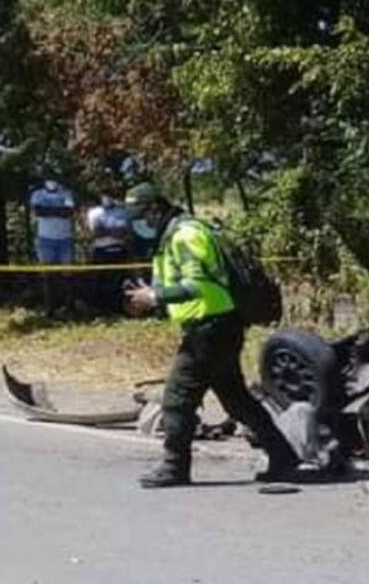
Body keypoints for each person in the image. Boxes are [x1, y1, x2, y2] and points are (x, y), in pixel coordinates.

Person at [121, 182, 299, 489]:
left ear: (156, 209)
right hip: (217, 326)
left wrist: (155, 297)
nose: (141, 223)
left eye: (143, 215)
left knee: (177, 399)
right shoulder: (176, 234)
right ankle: (283, 455)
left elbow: (198, 287)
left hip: (210, 329)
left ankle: (174, 466)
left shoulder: (185, 236)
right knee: (237, 400)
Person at [29, 176, 76, 265]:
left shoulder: (66, 193)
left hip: (65, 239)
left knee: (67, 272)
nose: (52, 182)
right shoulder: (37, 194)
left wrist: (47, 210)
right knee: (47, 271)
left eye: (54, 179)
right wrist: (59, 210)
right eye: (49, 179)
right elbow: (38, 212)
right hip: (45, 238)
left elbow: (68, 213)